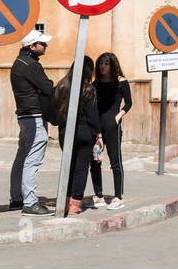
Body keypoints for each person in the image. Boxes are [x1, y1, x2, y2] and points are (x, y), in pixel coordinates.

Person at [9, 28, 55, 216]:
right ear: (32, 46)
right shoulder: (31, 65)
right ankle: (30, 202)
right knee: (33, 159)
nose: (45, 46)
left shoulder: (19, 62)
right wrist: (43, 89)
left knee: (22, 156)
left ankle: (16, 198)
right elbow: (48, 87)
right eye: (42, 43)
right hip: (34, 116)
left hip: (25, 115)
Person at [54, 56, 103, 216]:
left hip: (65, 131)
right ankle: (75, 204)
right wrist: (98, 134)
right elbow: (92, 115)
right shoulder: (88, 89)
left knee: (68, 167)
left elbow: (53, 110)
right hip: (84, 132)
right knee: (81, 168)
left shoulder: (61, 85)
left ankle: (65, 201)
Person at [90, 52, 133, 209]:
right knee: (95, 161)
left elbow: (128, 103)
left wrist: (119, 116)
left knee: (115, 161)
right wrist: (96, 130)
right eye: (101, 63)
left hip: (112, 126)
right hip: (97, 128)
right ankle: (99, 195)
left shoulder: (121, 82)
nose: (103, 66)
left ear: (113, 65)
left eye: (106, 63)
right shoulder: (96, 84)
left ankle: (118, 197)